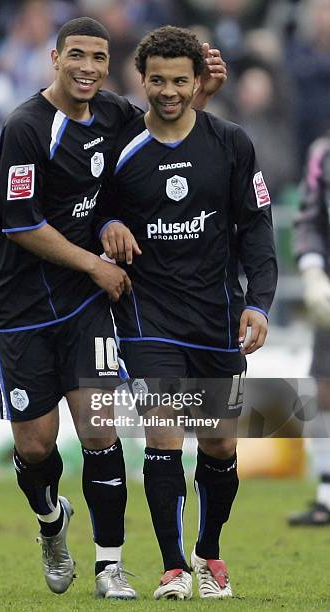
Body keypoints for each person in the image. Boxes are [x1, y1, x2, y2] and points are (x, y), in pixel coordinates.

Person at [0, 17, 227, 599]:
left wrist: (204, 92)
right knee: (36, 447)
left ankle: (109, 565)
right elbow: (20, 224)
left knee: (100, 429)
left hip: (88, 306)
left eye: (98, 57)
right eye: (77, 56)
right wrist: (95, 261)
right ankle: (50, 522)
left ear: (108, 62)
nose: (88, 68)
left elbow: (167, 131)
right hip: (22, 310)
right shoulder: (25, 127)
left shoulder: (114, 112)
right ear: (55, 58)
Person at [96, 25, 277, 600]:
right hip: (150, 317)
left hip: (217, 313)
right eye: (157, 80)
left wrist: (259, 303)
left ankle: (209, 553)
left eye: (179, 80)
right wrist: (107, 226)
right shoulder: (122, 149)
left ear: (199, 82)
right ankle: (173, 566)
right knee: (164, 434)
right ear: (141, 79)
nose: (168, 91)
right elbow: (92, 213)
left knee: (221, 444)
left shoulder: (231, 143)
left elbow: (256, 228)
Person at [291, 130, 330, 525]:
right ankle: (328, 494)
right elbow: (310, 216)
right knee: (323, 389)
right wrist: (313, 269)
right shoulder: (323, 153)